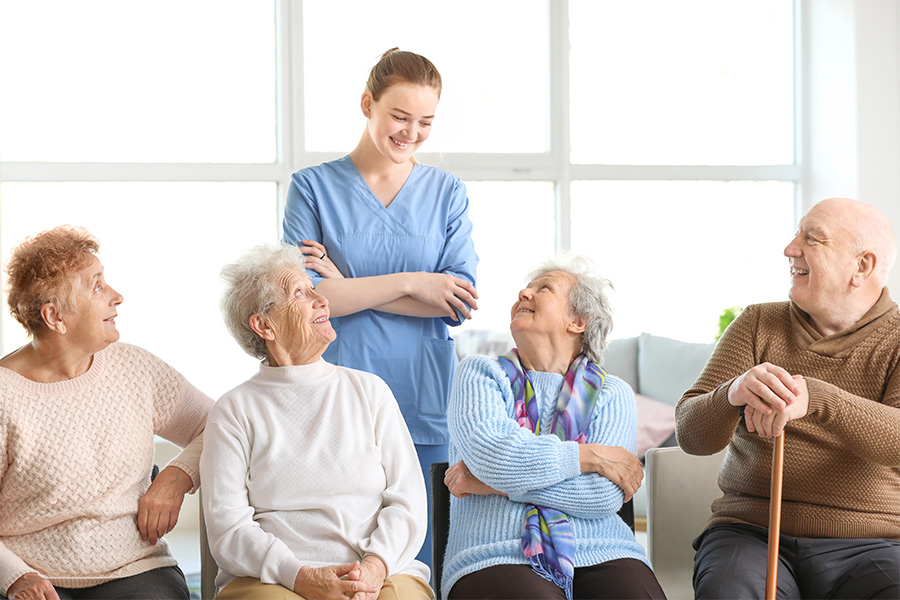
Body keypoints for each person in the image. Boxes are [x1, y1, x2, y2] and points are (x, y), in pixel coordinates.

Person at [281, 47, 478, 570]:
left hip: (423, 388)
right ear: (367, 103)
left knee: (426, 548)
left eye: (426, 122)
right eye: (399, 116)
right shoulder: (313, 188)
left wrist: (347, 284)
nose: (411, 132)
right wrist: (415, 282)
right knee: (343, 545)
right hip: (334, 383)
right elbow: (305, 301)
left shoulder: (447, 193)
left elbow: (455, 302)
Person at [676, 197, 900, 599]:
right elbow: (691, 437)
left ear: (861, 266)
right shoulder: (758, 322)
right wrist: (732, 393)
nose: (789, 248)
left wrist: (816, 398)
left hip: (874, 544)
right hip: (749, 534)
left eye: (811, 238)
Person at [200, 244, 432, 600]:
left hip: (379, 572)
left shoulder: (369, 391)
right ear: (264, 325)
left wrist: (371, 569)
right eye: (300, 293)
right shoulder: (234, 410)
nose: (321, 300)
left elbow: (408, 500)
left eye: (315, 289)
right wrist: (300, 576)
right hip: (272, 580)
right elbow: (229, 529)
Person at [0, 226, 212, 600]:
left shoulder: (133, 367)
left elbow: (219, 423)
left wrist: (177, 476)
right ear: (55, 316)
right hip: (32, 575)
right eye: (97, 286)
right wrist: (15, 577)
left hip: (134, 569)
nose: (117, 296)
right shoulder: (5, 395)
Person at [441, 254, 666, 600]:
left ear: (577, 320)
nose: (523, 294)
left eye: (542, 288)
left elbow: (604, 495)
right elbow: (494, 455)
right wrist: (589, 456)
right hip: (495, 552)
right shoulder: (480, 375)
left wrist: (492, 483)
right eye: (526, 288)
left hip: (605, 548)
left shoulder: (612, 393)